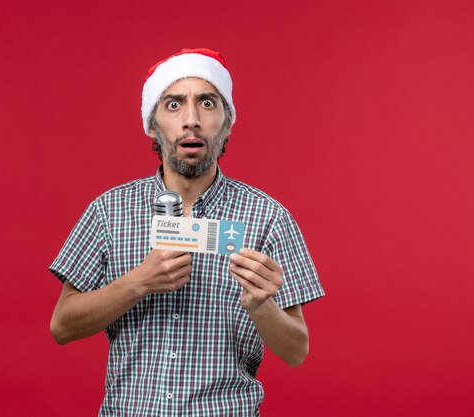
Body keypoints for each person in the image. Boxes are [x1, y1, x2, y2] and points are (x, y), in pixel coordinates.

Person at [49, 48, 324, 416]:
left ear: (227, 122)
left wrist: (262, 308)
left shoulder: (268, 217)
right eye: (174, 104)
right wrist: (138, 282)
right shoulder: (108, 212)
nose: (191, 119)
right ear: (152, 122)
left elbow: (296, 351)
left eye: (207, 103)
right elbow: (62, 327)